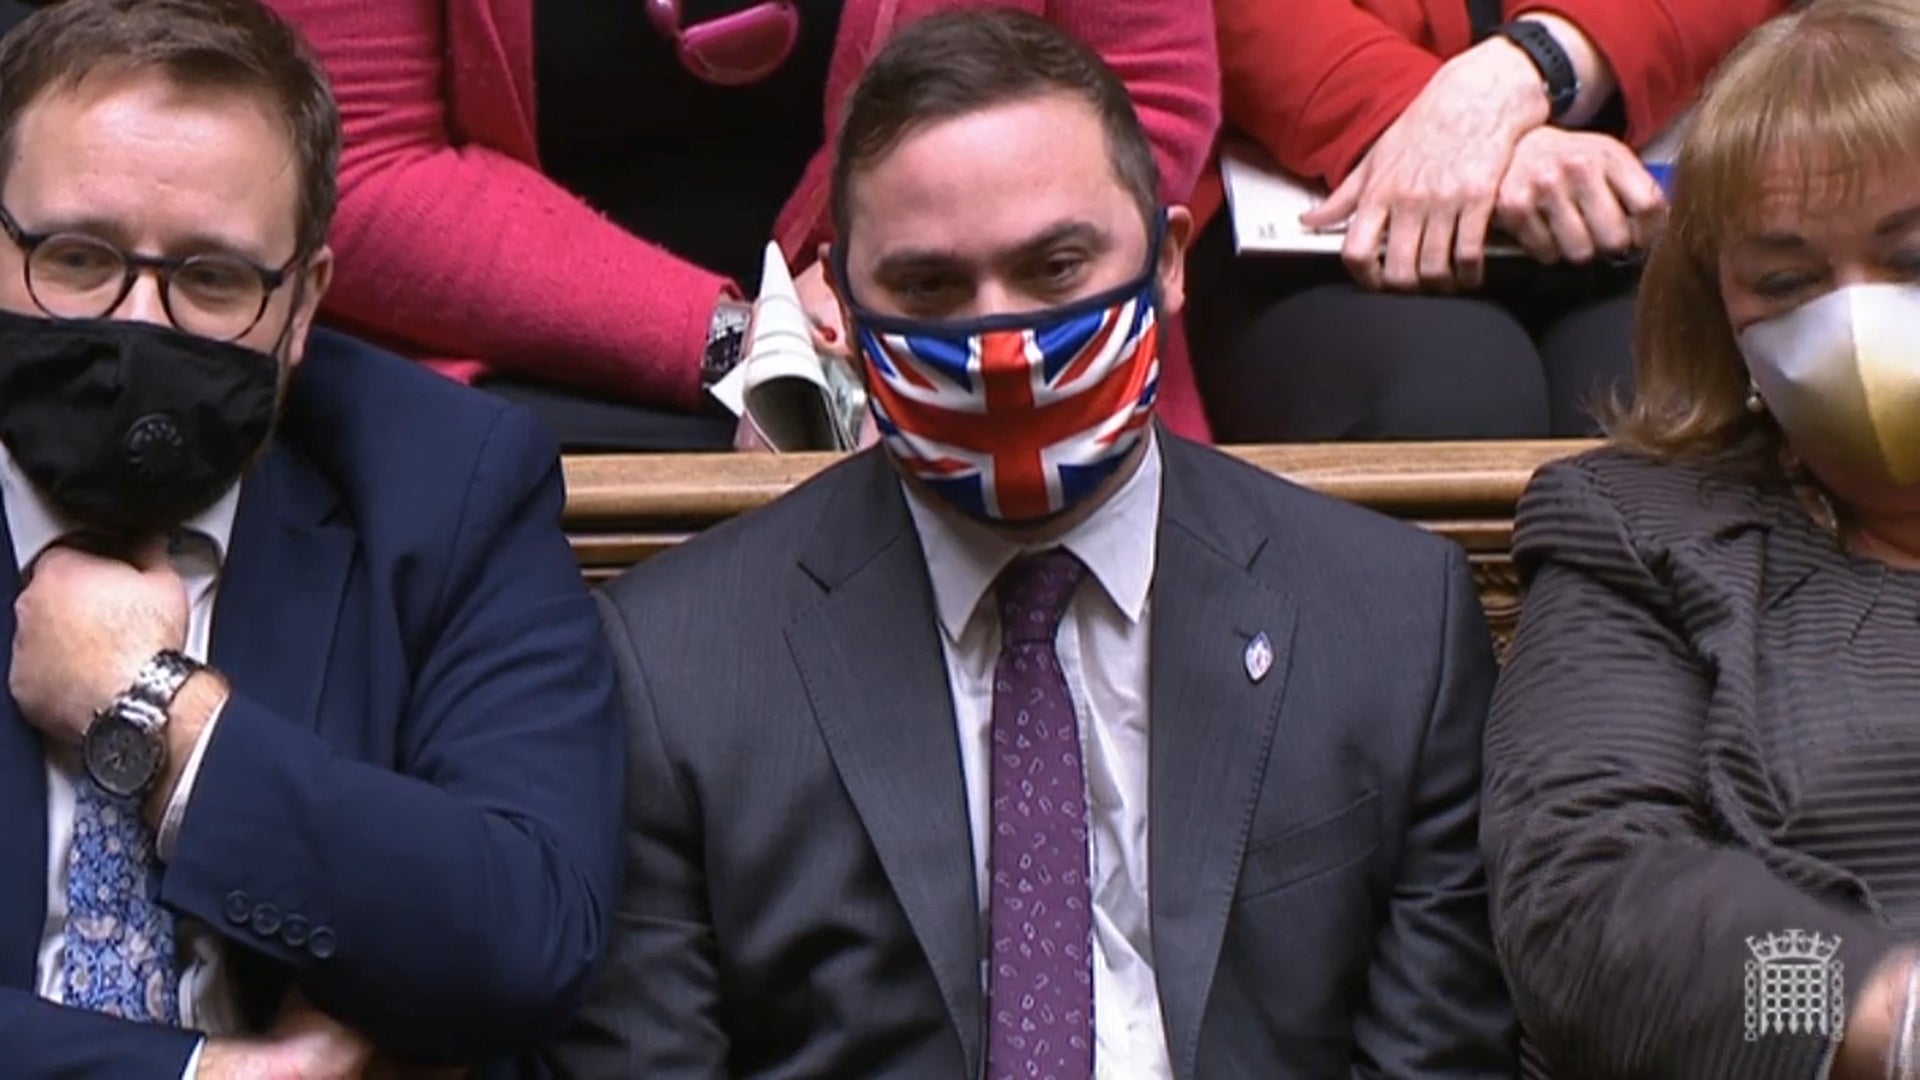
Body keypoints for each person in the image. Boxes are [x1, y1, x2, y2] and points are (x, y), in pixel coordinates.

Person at [555, 10, 1515, 1077]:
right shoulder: (677, 669)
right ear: (841, 304)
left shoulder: (1391, 625)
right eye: (928, 288)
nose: (998, 346)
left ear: (1168, 262)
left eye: (1055, 268)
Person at [0, 1, 622, 1076]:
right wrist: (203, 1076)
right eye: (77, 258)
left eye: (211, 279)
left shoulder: (446, 487)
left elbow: (526, 937)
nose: (138, 324)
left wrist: (160, 710)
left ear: (303, 308)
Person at [1481, 1, 1920, 1076]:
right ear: (1718, 307)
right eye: (1787, 280)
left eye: (1910, 256)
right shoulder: (1638, 535)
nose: (1855, 318)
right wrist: (1879, 1017)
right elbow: (1586, 910)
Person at [260, 0, 1221, 452]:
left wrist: (894, 300)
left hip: (963, 341)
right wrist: (750, 346)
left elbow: (1145, 100)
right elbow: (358, 165)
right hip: (516, 391)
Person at [1184, 0, 1786, 442]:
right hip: (1307, 190)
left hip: (1638, 172)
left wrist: (1535, 69)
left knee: (1660, 407)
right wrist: (1431, 120)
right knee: (1444, 398)